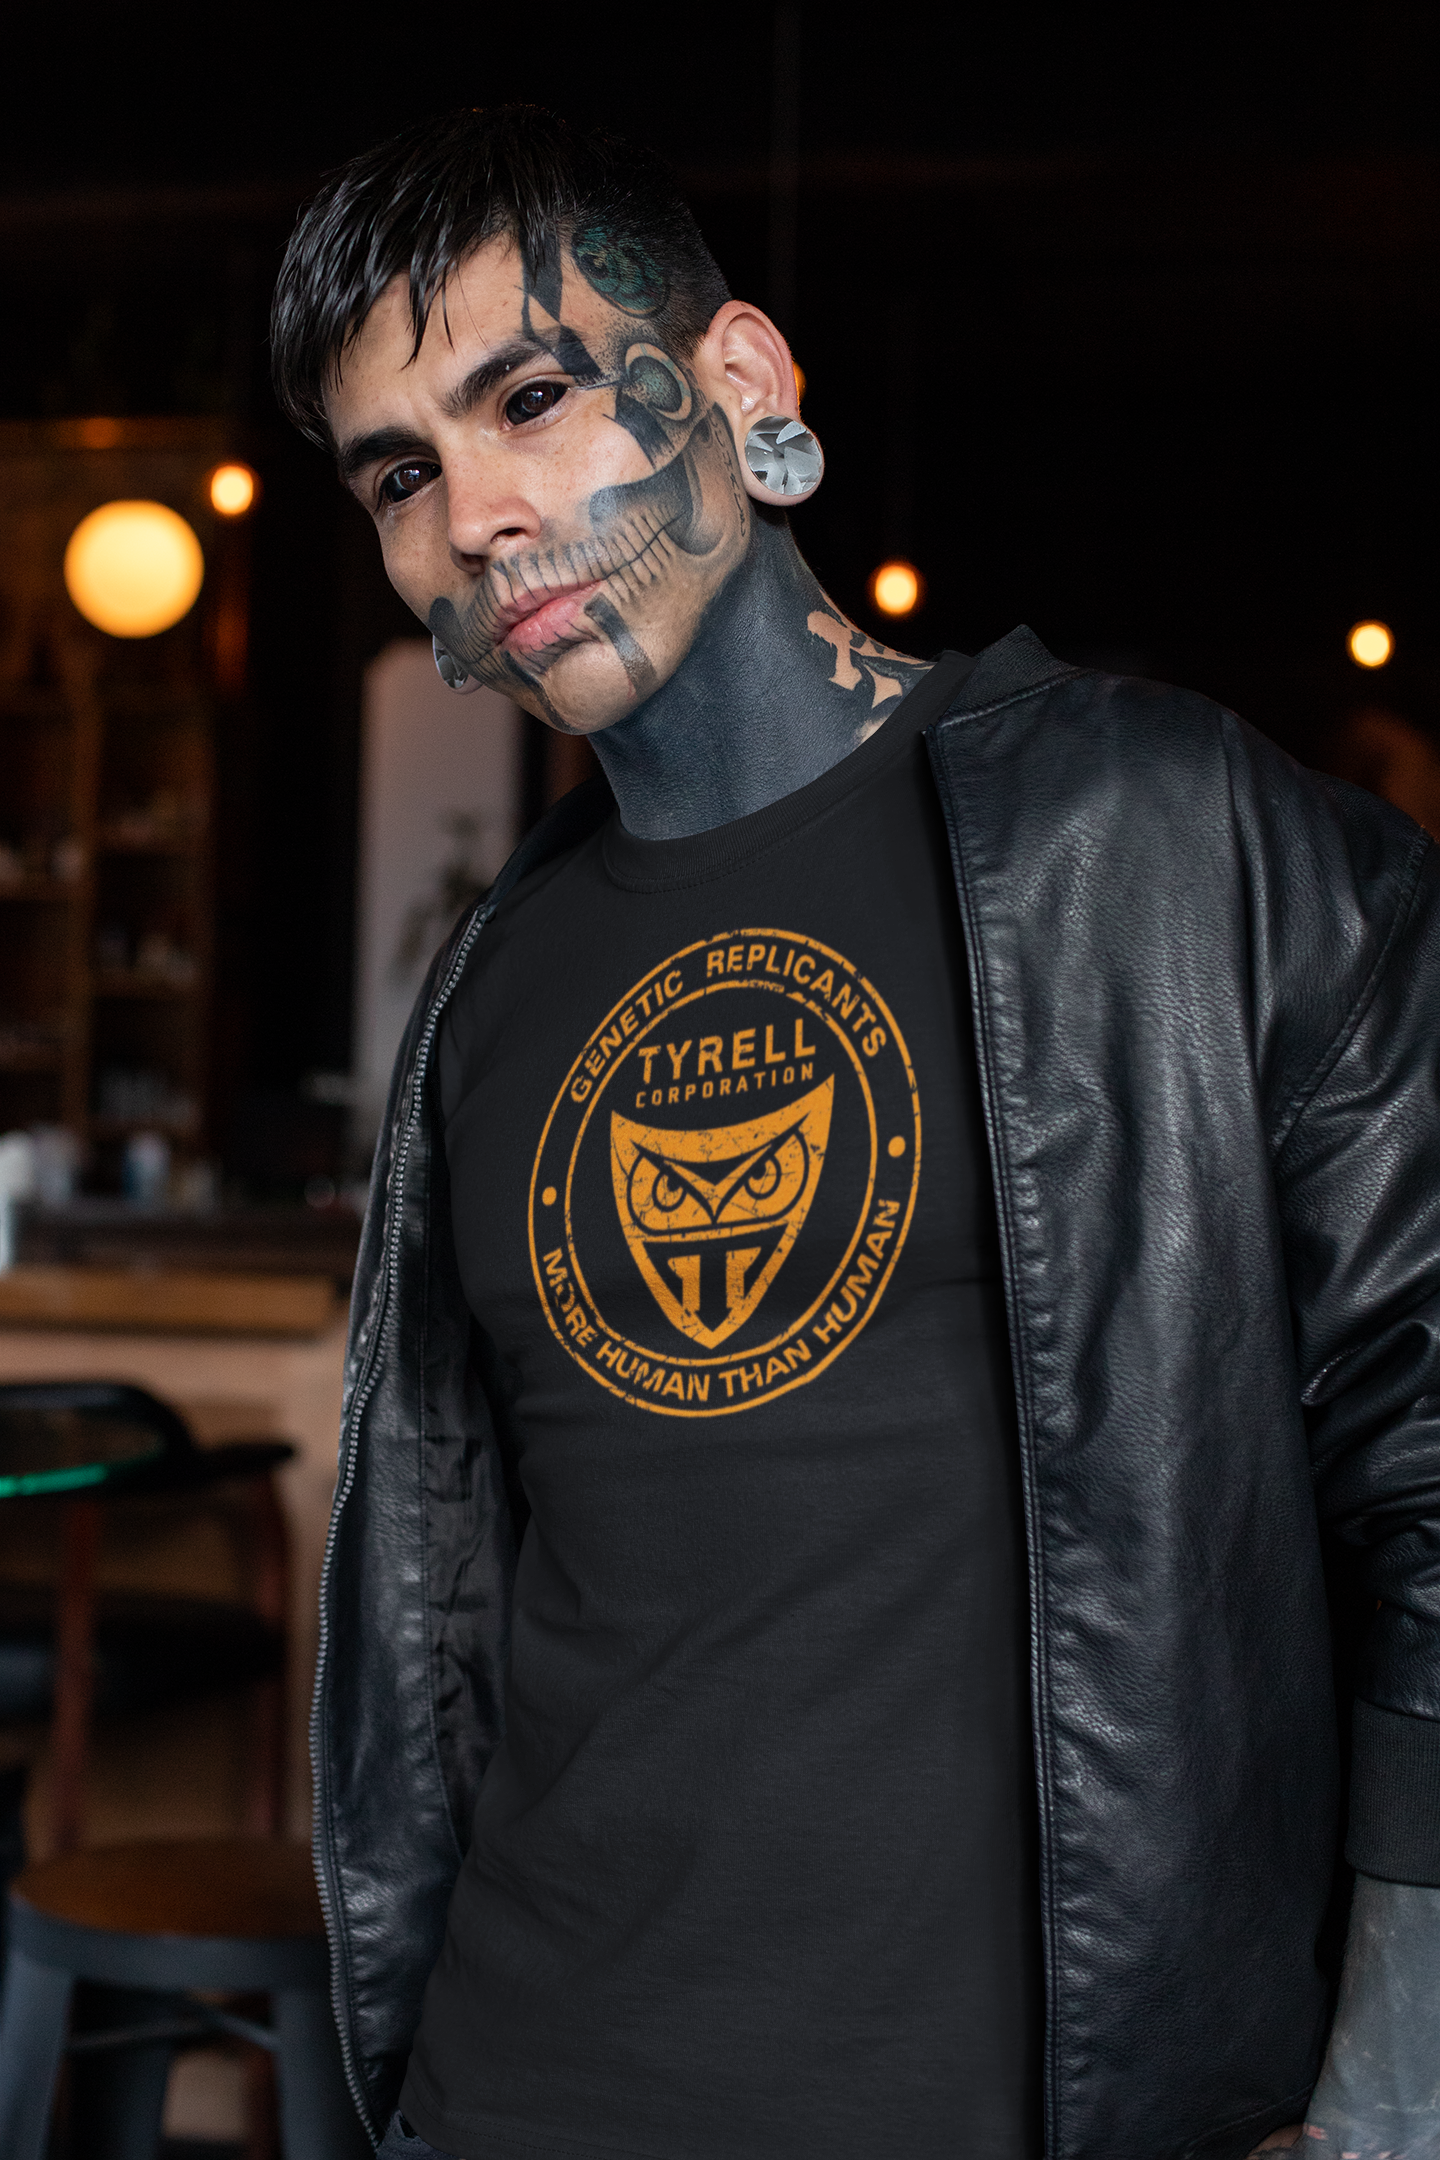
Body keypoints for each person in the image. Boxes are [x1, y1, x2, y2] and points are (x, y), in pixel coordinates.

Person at [271, 105, 1440, 2160]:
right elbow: (469, 1619)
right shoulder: (486, 987)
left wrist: (1395, 2092)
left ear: (741, 382)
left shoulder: (1179, 839)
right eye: (399, 476)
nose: (476, 520)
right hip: (516, 2092)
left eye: (528, 398)